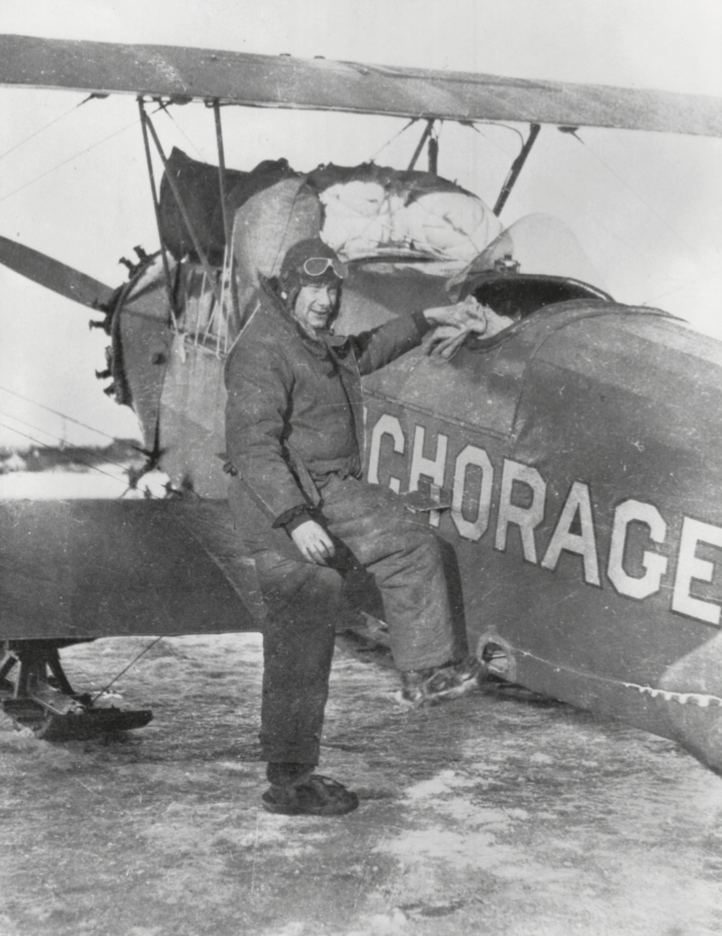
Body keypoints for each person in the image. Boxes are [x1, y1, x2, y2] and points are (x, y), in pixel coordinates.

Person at [224, 237, 491, 817]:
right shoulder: (262, 348)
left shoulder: (309, 339)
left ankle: (425, 673)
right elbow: (251, 446)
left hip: (330, 490)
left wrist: (429, 318)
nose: (325, 301)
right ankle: (290, 781)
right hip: (280, 502)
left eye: (332, 289)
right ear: (290, 288)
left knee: (414, 543)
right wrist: (295, 519)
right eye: (315, 288)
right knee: (305, 616)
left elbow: (365, 350)